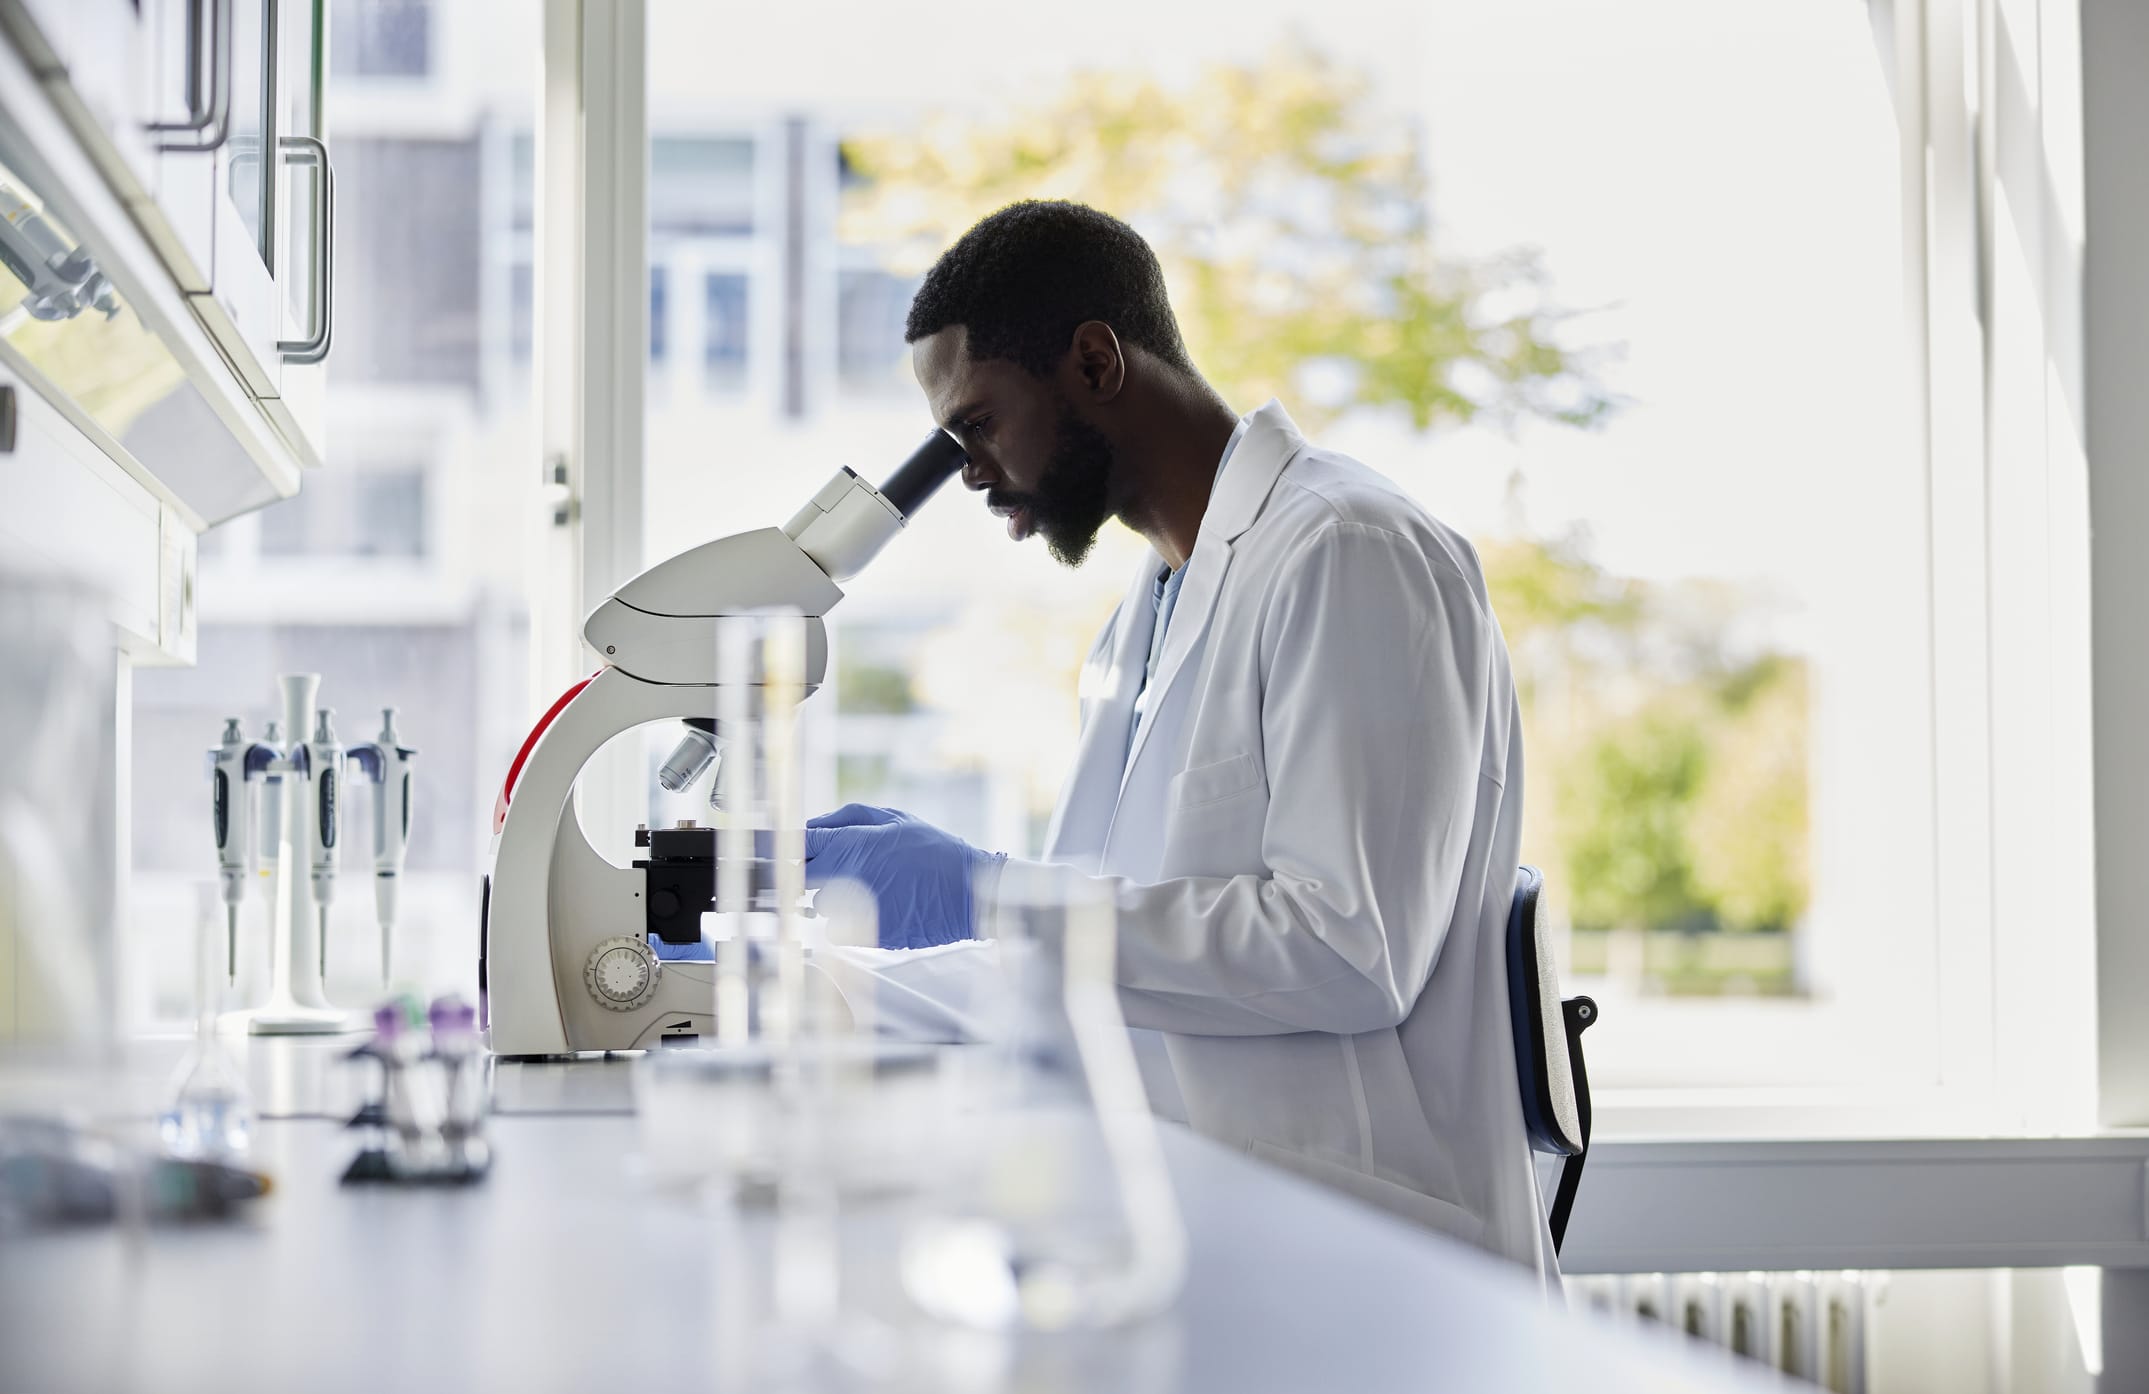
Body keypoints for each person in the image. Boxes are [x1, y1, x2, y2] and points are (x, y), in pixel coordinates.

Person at [805, 200, 1549, 1279]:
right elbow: (1087, 962)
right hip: (1213, 1242)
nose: (967, 471)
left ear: (1095, 362)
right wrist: (814, 974)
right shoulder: (1140, 624)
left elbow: (1348, 950)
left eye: (976, 424)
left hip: (1375, 1268)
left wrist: (983, 887)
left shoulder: (1346, 550)